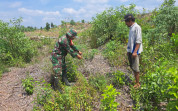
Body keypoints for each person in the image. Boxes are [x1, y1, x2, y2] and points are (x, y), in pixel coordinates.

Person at [124, 14, 143, 88]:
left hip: (135, 52)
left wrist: (135, 52)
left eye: (126, 21)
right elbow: (131, 41)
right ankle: (136, 80)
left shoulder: (137, 27)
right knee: (132, 66)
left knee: (136, 68)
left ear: (130, 21)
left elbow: (138, 41)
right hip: (131, 51)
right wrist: (129, 50)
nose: (125, 23)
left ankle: (138, 84)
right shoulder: (131, 28)